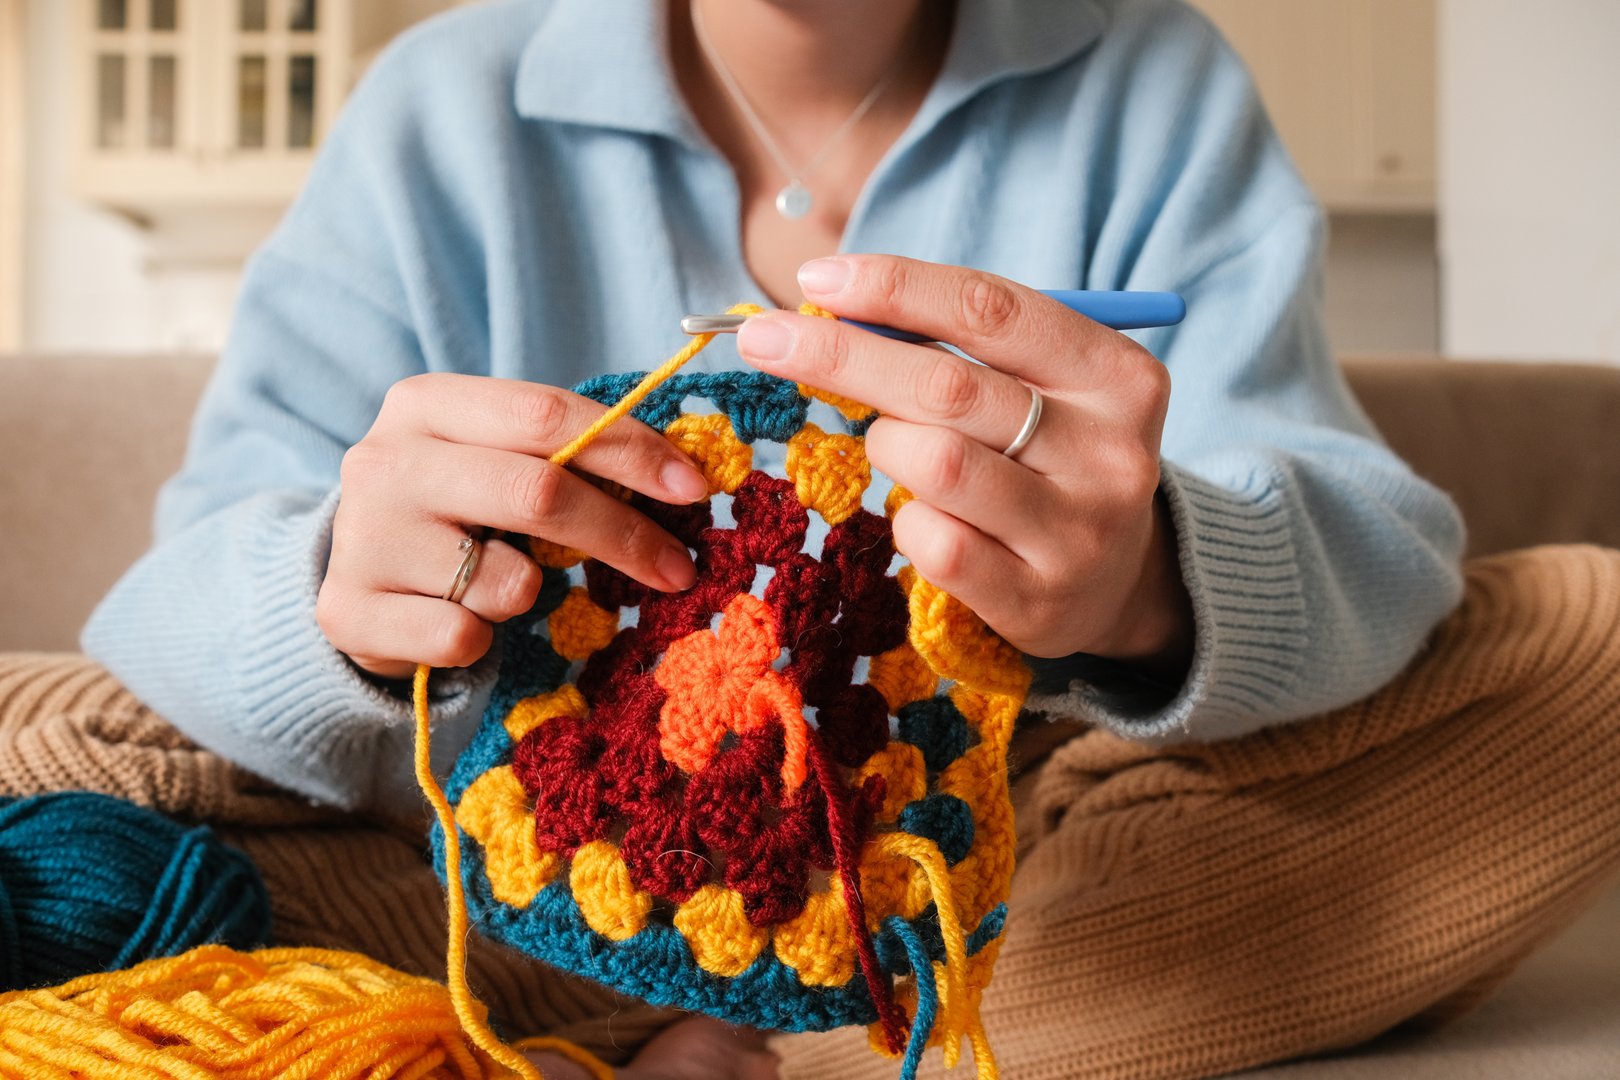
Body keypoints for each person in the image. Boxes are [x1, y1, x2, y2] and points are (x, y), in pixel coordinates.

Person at [79, 1, 1620, 1078]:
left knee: (1585, 642)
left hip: (973, 883)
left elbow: (1359, 534)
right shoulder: (443, 108)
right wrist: (348, 593)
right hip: (504, 884)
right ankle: (787, 1026)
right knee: (54, 742)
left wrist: (1148, 580)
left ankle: (787, 1020)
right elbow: (179, 593)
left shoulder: (1152, 80)